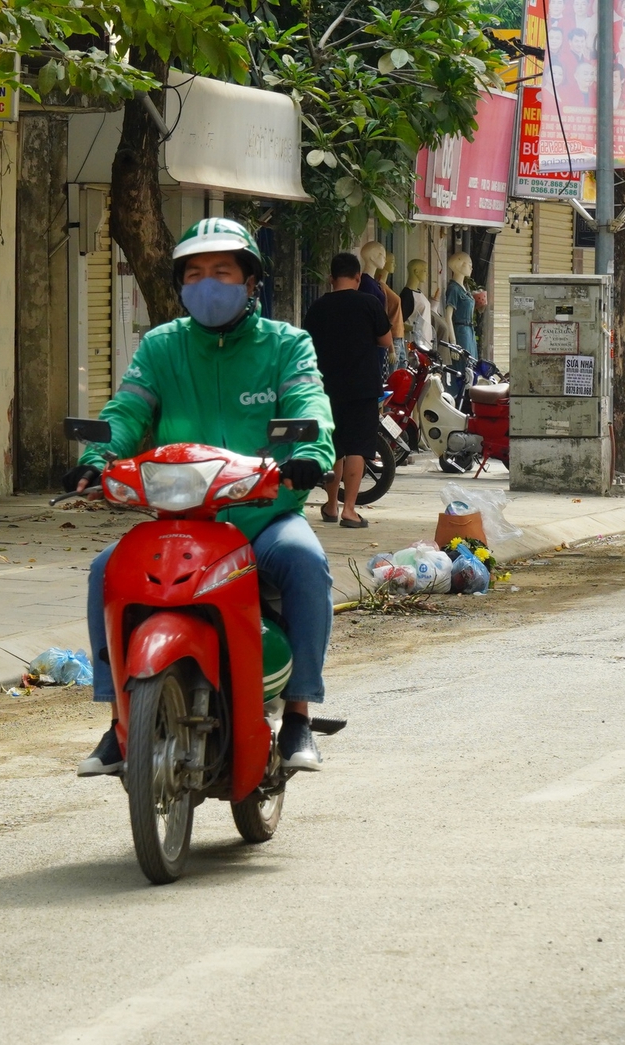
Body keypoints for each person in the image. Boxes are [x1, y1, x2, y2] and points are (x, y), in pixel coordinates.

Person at [68, 217, 336, 777]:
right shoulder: (163, 346)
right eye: (194, 274)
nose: (207, 284)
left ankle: (299, 714)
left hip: (263, 518)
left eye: (221, 271)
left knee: (306, 563)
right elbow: (128, 409)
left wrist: (311, 455)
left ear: (250, 281)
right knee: (105, 571)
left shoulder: (287, 344)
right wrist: (97, 458)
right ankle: (121, 718)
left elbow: (309, 400)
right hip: (180, 523)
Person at [304, 252, 392, 529]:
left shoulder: (317, 307)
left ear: (331, 278)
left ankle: (331, 505)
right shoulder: (369, 303)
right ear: (357, 277)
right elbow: (386, 340)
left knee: (333, 447)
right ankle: (350, 511)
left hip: (326, 387)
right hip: (362, 386)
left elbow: (307, 344)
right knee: (357, 447)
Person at [444, 252, 478, 356]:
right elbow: (448, 316)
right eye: (469, 264)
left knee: (472, 365)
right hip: (460, 333)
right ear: (461, 264)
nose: (471, 268)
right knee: (464, 366)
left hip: (469, 332)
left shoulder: (464, 288)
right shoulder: (454, 289)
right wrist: (453, 343)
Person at [400, 258, 434, 355]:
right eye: (424, 270)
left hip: (424, 343)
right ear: (416, 271)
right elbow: (399, 322)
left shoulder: (418, 292)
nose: (426, 274)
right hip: (413, 344)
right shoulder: (407, 295)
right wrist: (414, 329)